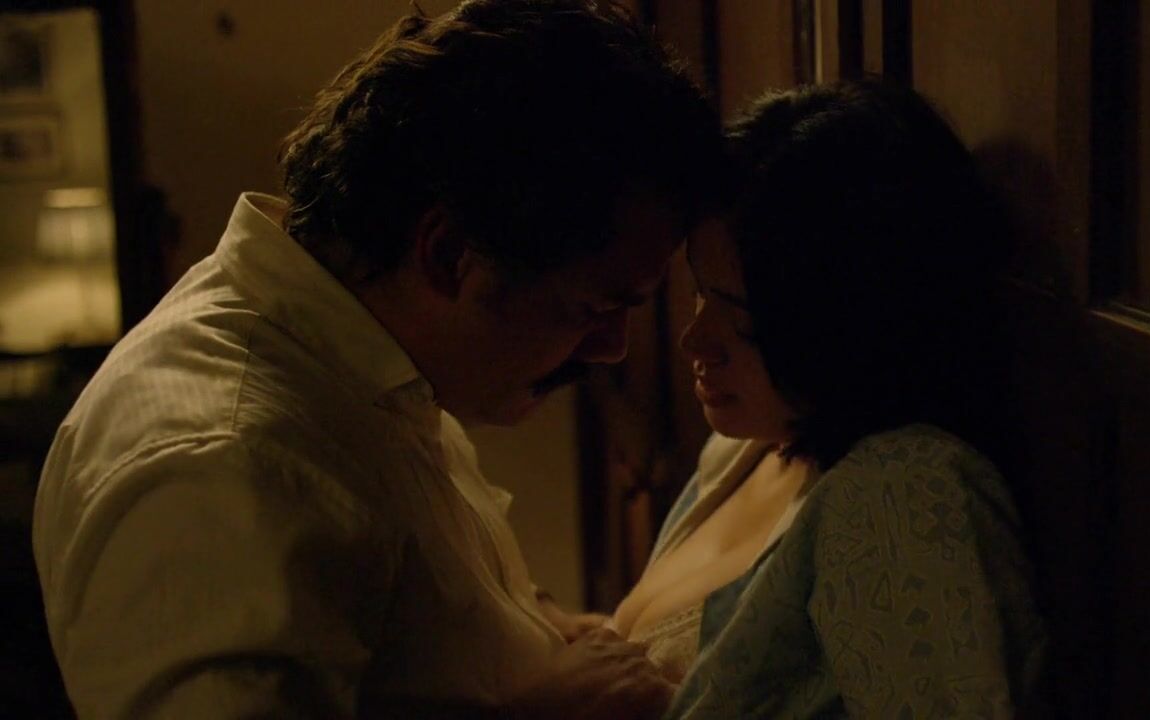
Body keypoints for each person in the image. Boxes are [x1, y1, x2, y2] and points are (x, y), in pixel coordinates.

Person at [32, 1, 724, 718]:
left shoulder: (356, 363)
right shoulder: (227, 463)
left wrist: (552, 637)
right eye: (593, 308)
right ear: (449, 256)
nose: (612, 348)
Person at [611, 80, 1048, 717]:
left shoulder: (900, 496)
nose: (693, 339)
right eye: (701, 292)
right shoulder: (744, 450)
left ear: (845, 320)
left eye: (742, 317)